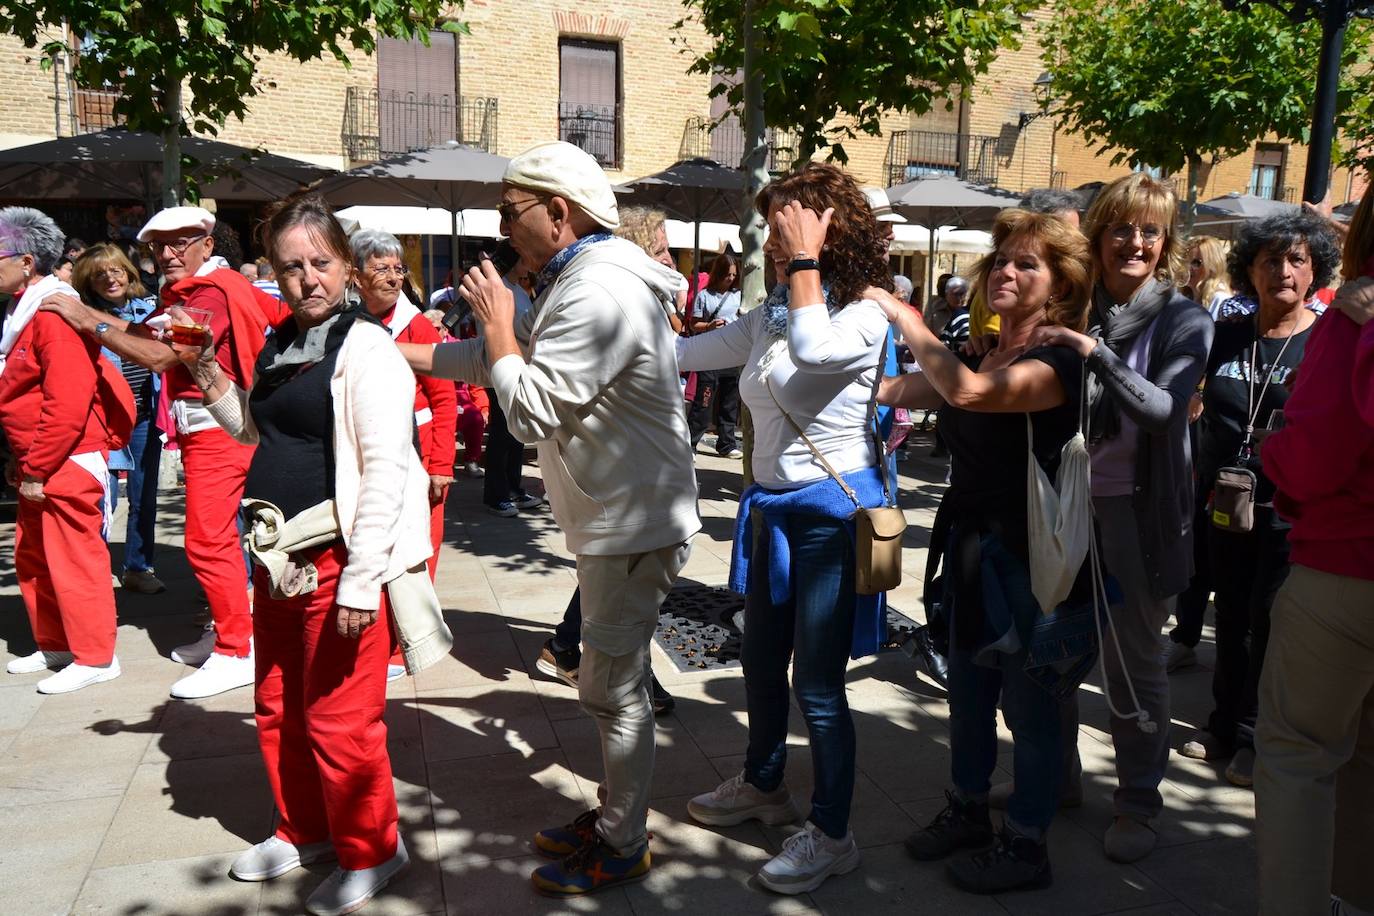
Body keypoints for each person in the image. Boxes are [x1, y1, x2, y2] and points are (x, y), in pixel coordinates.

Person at [399, 141, 700, 896]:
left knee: (610, 689)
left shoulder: (598, 291)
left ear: (557, 214)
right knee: (605, 684)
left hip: (633, 524)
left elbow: (527, 410)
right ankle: (613, 818)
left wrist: (499, 322)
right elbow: (494, 361)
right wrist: (398, 350)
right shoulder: (579, 278)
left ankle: (624, 840)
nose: (505, 229)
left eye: (511, 211)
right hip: (619, 520)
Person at [180, 194, 445, 916]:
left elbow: (390, 470)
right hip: (276, 561)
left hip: (335, 562)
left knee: (338, 717)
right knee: (277, 704)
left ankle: (373, 848)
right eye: (290, 266)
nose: (307, 280)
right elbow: (256, 434)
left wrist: (362, 583)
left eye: (320, 264)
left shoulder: (368, 350)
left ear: (349, 269)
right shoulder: (280, 342)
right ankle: (305, 830)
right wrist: (207, 374)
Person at [677, 163, 891, 895]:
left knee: (820, 686)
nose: (773, 242)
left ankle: (834, 834)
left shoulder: (866, 312)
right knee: (761, 661)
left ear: (829, 231)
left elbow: (816, 351)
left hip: (832, 517)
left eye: (786, 228)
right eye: (772, 230)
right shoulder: (774, 310)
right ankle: (766, 786)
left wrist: (803, 259)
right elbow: (689, 353)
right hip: (770, 509)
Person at [872, 207, 1092, 893]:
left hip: (1033, 564)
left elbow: (966, 395)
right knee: (966, 697)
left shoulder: (1057, 364)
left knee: (1028, 710)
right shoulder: (978, 350)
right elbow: (895, 389)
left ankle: (1028, 845)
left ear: (1056, 284)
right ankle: (968, 809)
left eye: (1027, 263)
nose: (1006, 270)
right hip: (969, 555)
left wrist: (905, 316)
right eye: (1001, 260)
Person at [1021, 172, 1214, 864]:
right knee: (1053, 652)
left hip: (1138, 516)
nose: (1135, 242)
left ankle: (1138, 803)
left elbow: (1164, 412)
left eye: (1150, 231)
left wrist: (1092, 350)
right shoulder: (1074, 304)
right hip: (1064, 506)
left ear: (1165, 245)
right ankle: (1059, 778)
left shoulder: (1183, 318)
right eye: (1121, 228)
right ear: (1098, 237)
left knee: (1134, 667)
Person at [40, 205, 289, 700]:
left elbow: (161, 356)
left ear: (207, 246)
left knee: (207, 541)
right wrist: (95, 317)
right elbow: (143, 336)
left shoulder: (210, 293)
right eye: (158, 246)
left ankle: (239, 649)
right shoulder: (189, 290)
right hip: (211, 426)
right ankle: (228, 631)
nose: (167, 254)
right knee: (216, 540)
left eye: (179, 243)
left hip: (221, 426)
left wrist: (86, 318)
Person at [1176, 213, 1338, 789]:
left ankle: (1253, 733)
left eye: (1296, 260)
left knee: (1269, 623)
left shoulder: (1323, 342)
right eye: (1270, 260)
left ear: (1315, 270)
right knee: (1232, 615)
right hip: (1223, 503)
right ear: (1250, 271)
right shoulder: (1225, 337)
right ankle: (1221, 723)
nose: (1283, 272)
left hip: (1288, 510)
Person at [1255, 189, 1374, 916]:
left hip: (1345, 571)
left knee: (1300, 756)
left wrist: (1275, 453)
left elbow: (1316, 456)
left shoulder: (1352, 317)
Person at [0, 207, 122, 694]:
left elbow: (67, 402)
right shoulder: (23, 312)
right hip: (40, 459)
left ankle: (96, 656)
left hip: (65, 459)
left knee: (74, 560)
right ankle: (56, 643)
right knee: (36, 558)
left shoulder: (51, 314)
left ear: (26, 262)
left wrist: (38, 466)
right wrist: (24, 461)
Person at [350, 228, 457, 579]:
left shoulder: (416, 327)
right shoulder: (344, 323)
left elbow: (443, 398)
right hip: (364, 455)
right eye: (382, 269)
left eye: (398, 269)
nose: (394, 278)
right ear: (356, 276)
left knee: (421, 546)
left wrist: (441, 464)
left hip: (419, 456)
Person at [71, 243, 164, 594]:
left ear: (128, 272)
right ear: (89, 283)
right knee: (101, 499)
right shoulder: (83, 315)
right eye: (99, 274)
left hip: (145, 417)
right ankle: (94, 574)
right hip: (104, 421)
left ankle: (139, 568)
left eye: (116, 270)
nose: (110, 278)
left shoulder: (149, 309)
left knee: (145, 496)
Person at [686, 252, 744, 458]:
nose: (730, 278)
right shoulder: (704, 295)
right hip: (710, 355)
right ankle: (690, 442)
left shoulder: (739, 296)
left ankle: (727, 444)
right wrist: (709, 326)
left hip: (732, 355)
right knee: (704, 401)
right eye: (727, 274)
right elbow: (693, 324)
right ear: (718, 274)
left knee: (729, 403)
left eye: (733, 275)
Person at [1184, 235, 1233, 318]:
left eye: (1196, 263)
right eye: (1185, 261)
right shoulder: (1187, 298)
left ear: (1212, 266)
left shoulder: (1221, 301)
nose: (1188, 268)